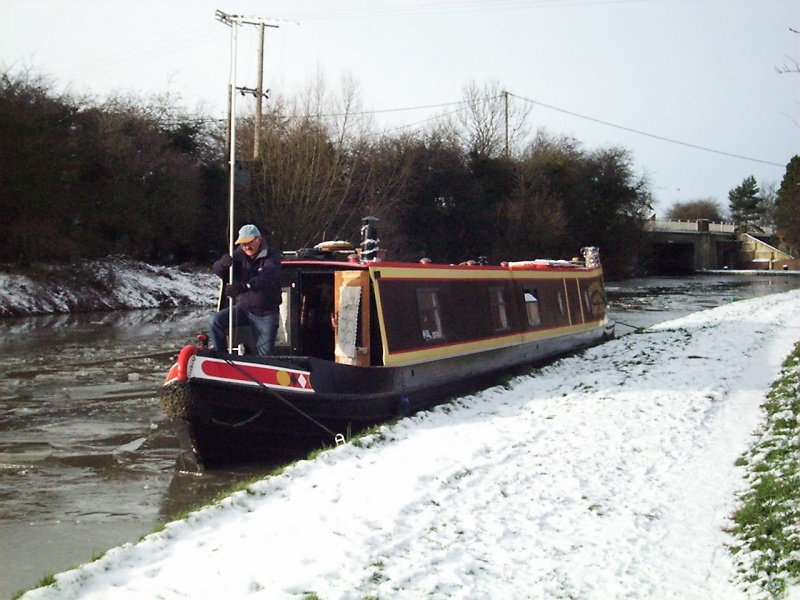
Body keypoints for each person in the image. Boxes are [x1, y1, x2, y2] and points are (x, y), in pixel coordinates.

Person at [209, 224, 282, 355]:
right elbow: (218, 271)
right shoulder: (238, 255)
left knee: (265, 355)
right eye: (243, 244)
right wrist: (222, 264)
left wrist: (244, 286)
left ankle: (264, 371)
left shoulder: (271, 257)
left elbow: (268, 277)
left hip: (266, 314)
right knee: (215, 321)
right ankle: (222, 358)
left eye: (249, 242)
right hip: (243, 310)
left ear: (259, 239)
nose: (246, 247)